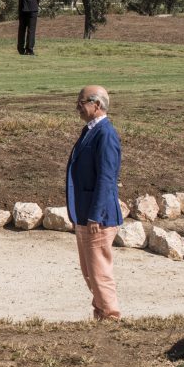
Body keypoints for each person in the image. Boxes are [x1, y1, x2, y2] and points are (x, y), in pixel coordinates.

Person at [66, 85, 123, 320]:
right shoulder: (90, 130)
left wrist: (95, 215)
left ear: (96, 104)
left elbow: (107, 178)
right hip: (84, 214)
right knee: (90, 271)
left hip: (98, 217)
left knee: (99, 272)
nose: (77, 107)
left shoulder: (105, 134)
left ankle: (111, 317)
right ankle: (101, 313)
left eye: (81, 103)